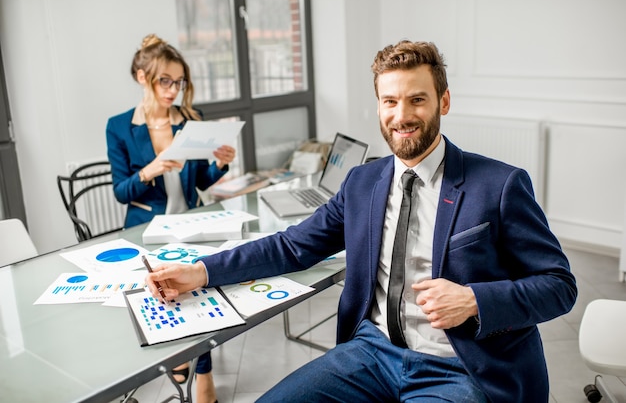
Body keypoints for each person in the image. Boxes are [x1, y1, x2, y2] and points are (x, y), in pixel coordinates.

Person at [145, 40, 577, 402]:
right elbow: (292, 245)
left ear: (443, 101)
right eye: (390, 101)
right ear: (379, 106)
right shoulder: (362, 182)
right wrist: (201, 271)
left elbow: (559, 285)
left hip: (458, 368)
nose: (401, 115)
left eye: (417, 99)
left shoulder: (499, 185)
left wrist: (474, 300)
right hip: (372, 352)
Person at [106, 34, 232, 403]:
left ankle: (203, 371)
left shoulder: (191, 120)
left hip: (189, 224)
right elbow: (120, 192)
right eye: (166, 81)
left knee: (200, 284)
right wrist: (151, 170)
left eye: (179, 82)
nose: (174, 90)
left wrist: (220, 165)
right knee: (172, 292)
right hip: (145, 229)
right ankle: (185, 357)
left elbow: (202, 182)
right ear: (143, 77)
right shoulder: (119, 126)